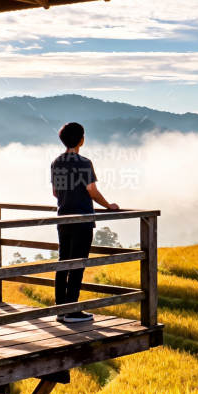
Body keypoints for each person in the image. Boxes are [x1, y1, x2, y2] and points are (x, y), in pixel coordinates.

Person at [50, 122, 119, 323]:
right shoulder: (84, 162)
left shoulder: (56, 162)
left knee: (63, 262)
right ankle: (72, 311)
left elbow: (55, 192)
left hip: (63, 217)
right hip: (82, 218)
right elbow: (92, 191)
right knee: (78, 264)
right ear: (81, 139)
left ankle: (61, 309)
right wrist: (108, 206)